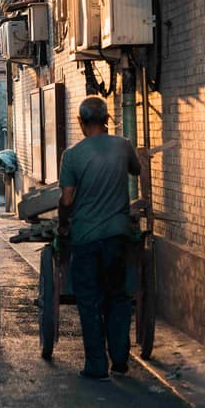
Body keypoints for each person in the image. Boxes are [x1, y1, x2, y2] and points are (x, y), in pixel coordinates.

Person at [57, 96, 141, 381]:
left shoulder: (72, 155)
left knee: (89, 300)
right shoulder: (123, 145)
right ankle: (119, 360)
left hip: (86, 238)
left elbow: (67, 198)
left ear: (81, 123)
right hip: (118, 235)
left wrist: (63, 224)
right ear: (107, 119)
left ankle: (96, 365)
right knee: (118, 297)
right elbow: (137, 170)